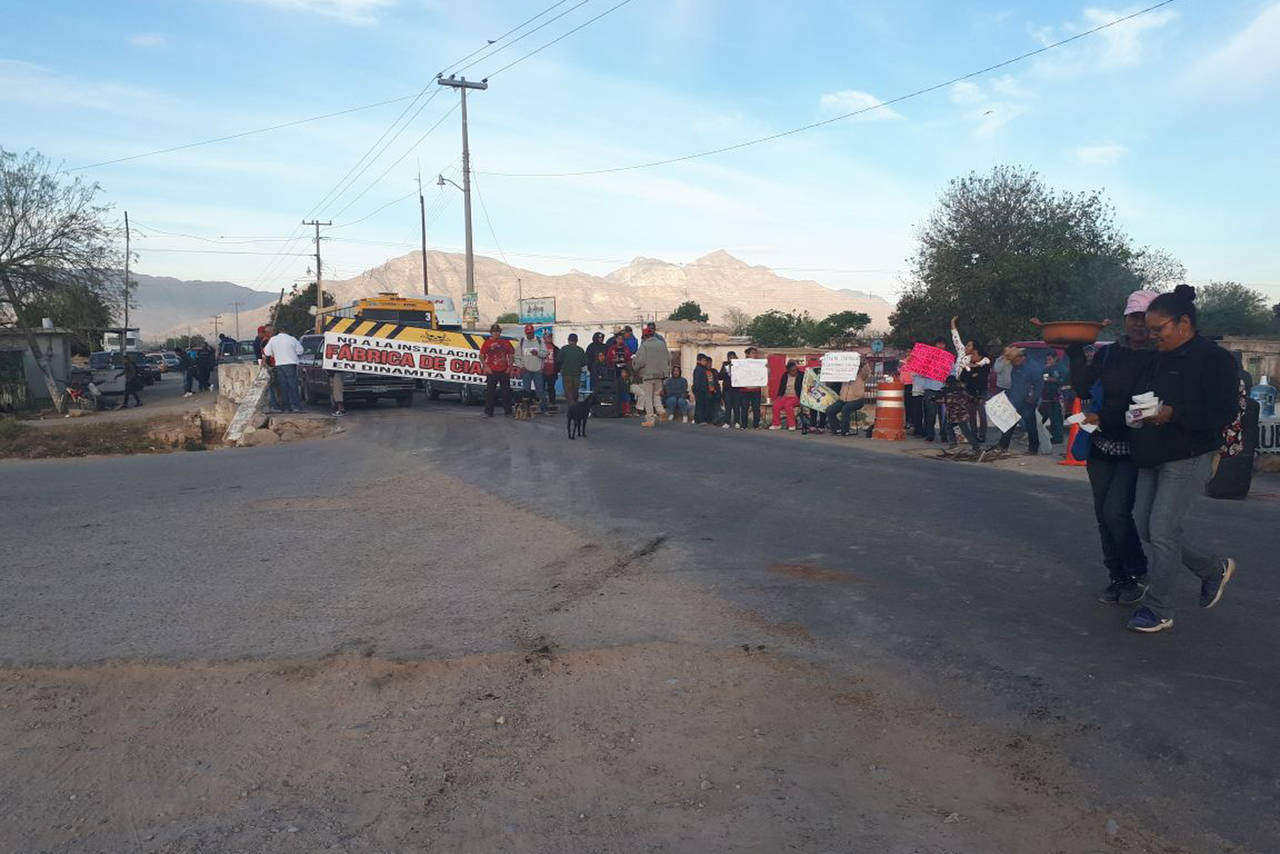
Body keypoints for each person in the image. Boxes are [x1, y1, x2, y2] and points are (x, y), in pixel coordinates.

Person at [1122, 285, 1239, 633]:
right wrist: (1138, 415)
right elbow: (1144, 397)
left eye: (1159, 329)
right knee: (1146, 527)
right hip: (1151, 452)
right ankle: (1211, 569)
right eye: (1150, 330)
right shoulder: (1157, 358)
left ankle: (1159, 609)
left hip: (1188, 453)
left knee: (1162, 530)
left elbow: (1224, 411)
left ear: (1183, 323)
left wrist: (1175, 414)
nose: (1152, 335)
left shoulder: (1214, 359)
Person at [1067, 290, 1156, 605]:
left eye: (1145, 318)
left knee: (1116, 512)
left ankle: (1137, 571)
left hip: (1135, 446)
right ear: (1125, 319)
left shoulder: (1158, 358)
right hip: (1101, 444)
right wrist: (1074, 352)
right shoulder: (1108, 354)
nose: (1139, 324)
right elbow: (1082, 388)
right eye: (1134, 317)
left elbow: (1147, 407)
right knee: (1103, 515)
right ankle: (1117, 578)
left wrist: (1104, 416)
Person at [982, 346, 1043, 459]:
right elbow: (1015, 383)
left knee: (1030, 424)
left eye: (1013, 361)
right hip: (1016, 398)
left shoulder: (1032, 367)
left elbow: (1039, 385)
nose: (1012, 364)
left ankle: (1033, 448)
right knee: (1009, 422)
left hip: (1028, 400)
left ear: (1020, 358)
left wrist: (1032, 398)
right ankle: (1003, 445)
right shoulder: (1016, 366)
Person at [951, 317, 991, 442]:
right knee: (963, 413)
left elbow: (986, 361)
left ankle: (981, 436)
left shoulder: (980, 359)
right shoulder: (962, 354)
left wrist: (975, 366)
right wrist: (952, 323)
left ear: (975, 349)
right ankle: (968, 435)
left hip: (975, 390)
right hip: (960, 387)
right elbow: (956, 339)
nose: (966, 347)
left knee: (980, 414)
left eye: (969, 345)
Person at [629, 326, 670, 427]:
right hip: (660, 375)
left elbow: (641, 361)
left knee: (648, 397)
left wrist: (635, 365)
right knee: (656, 395)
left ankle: (650, 419)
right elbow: (669, 357)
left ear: (645, 336)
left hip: (648, 375)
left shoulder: (644, 346)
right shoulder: (662, 344)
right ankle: (661, 410)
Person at [261, 324, 304, 413]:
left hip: (279, 365)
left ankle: (286, 407)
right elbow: (300, 351)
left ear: (279, 331)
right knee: (293, 385)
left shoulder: (273, 339)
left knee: (283, 386)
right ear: (287, 331)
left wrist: (274, 352)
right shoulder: (292, 339)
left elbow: (267, 352)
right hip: (291, 364)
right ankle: (295, 406)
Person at [826, 358, 870, 436]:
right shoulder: (845, 375)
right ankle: (837, 428)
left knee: (845, 409)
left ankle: (845, 430)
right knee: (830, 410)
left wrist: (864, 363)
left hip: (857, 400)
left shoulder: (861, 375)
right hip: (843, 400)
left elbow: (866, 371)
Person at [479, 322, 515, 417]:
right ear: (491, 333)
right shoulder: (487, 343)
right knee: (490, 393)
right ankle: (488, 412)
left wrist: (510, 367)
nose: (496, 333)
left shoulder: (505, 342)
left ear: (500, 332)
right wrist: (486, 366)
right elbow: (481, 355)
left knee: (506, 392)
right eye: (494, 332)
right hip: (492, 370)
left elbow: (511, 355)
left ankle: (508, 411)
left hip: (504, 370)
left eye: (498, 331)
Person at [1040, 350, 1070, 444]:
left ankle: (1058, 438)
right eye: (1047, 359)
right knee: (1052, 418)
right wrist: (1045, 370)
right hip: (1049, 396)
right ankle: (1053, 436)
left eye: (1050, 359)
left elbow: (1064, 381)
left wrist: (1052, 379)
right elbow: (1044, 378)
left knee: (1057, 418)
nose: (1048, 361)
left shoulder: (1061, 368)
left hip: (1059, 397)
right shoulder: (1047, 368)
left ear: (1055, 358)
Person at [519, 324, 549, 414]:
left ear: (533, 332)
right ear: (525, 332)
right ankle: (526, 410)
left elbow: (545, 354)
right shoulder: (522, 341)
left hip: (537, 370)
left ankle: (544, 409)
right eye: (528, 333)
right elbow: (517, 356)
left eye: (531, 333)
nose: (529, 334)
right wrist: (521, 366)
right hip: (526, 370)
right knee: (526, 392)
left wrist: (538, 353)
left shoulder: (539, 341)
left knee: (540, 391)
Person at [555, 332, 587, 406]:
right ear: (577, 340)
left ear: (568, 340)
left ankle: (571, 407)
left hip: (566, 374)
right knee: (575, 392)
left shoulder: (564, 349)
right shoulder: (580, 350)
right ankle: (575, 406)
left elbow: (558, 360)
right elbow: (585, 362)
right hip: (577, 374)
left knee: (568, 392)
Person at [771, 360, 803, 430]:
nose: (795, 372)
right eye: (792, 371)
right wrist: (779, 396)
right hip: (785, 396)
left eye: (796, 370)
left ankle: (792, 425)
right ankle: (776, 424)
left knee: (788, 405)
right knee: (775, 405)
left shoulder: (801, 375)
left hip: (797, 396)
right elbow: (781, 387)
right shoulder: (785, 376)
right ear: (788, 371)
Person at [692, 353, 720, 425]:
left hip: (705, 391)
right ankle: (700, 420)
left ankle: (703, 419)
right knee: (700, 406)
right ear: (699, 361)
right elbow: (698, 382)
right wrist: (701, 390)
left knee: (704, 405)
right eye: (703, 360)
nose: (705, 362)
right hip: (701, 391)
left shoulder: (703, 369)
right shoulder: (698, 369)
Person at [739, 347, 764, 428]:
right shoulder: (740, 364)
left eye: (755, 353)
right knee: (744, 408)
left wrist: (766, 368)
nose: (755, 355)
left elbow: (766, 375)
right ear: (747, 354)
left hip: (756, 389)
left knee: (756, 408)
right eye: (753, 353)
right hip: (744, 390)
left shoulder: (760, 364)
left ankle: (756, 425)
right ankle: (744, 425)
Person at [718, 351, 740, 429]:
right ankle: (727, 422)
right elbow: (720, 377)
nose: (732, 359)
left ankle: (737, 422)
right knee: (728, 406)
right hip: (727, 389)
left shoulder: (739, 364)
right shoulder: (725, 365)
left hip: (736, 389)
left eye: (733, 357)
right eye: (730, 357)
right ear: (728, 358)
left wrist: (737, 364)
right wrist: (725, 370)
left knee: (736, 406)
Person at [541, 331, 559, 409]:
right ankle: (542, 403)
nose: (549, 338)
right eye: (547, 337)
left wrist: (557, 370)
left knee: (551, 388)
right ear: (544, 338)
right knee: (541, 388)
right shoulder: (540, 348)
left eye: (550, 337)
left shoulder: (556, 348)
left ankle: (552, 403)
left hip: (552, 372)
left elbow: (559, 360)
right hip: (542, 371)